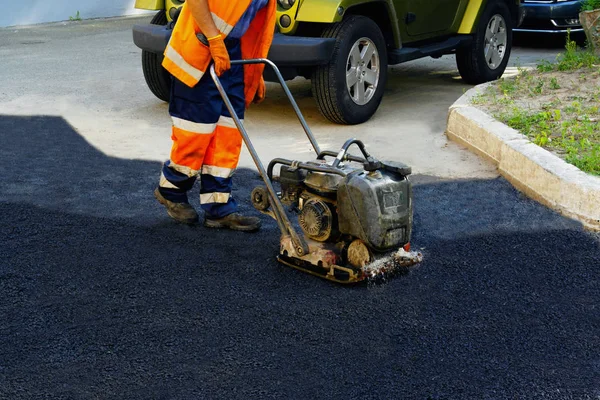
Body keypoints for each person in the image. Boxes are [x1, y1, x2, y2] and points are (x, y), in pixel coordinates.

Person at [154, 0, 276, 231]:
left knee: (227, 132)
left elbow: (250, 25)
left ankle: (218, 207)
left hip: (233, 53)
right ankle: (172, 190)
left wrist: (253, 71)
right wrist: (213, 39)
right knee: (195, 129)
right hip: (201, 46)